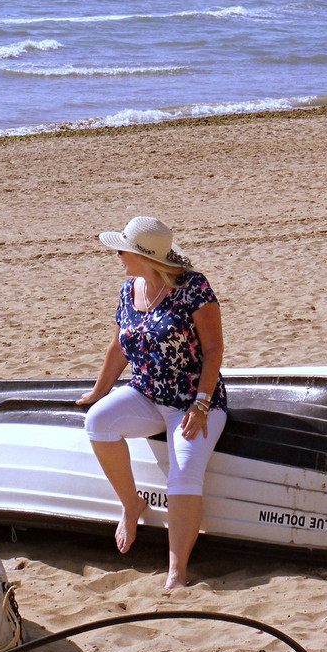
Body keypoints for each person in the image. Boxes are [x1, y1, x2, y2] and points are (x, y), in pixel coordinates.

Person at [76, 216, 227, 590]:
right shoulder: (129, 290)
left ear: (145, 256)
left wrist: (202, 403)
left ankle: (177, 573)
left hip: (192, 400)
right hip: (146, 393)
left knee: (185, 471)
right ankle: (131, 505)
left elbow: (213, 348)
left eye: (122, 249)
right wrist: (98, 392)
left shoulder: (194, 287)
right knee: (98, 421)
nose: (116, 255)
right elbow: (117, 348)